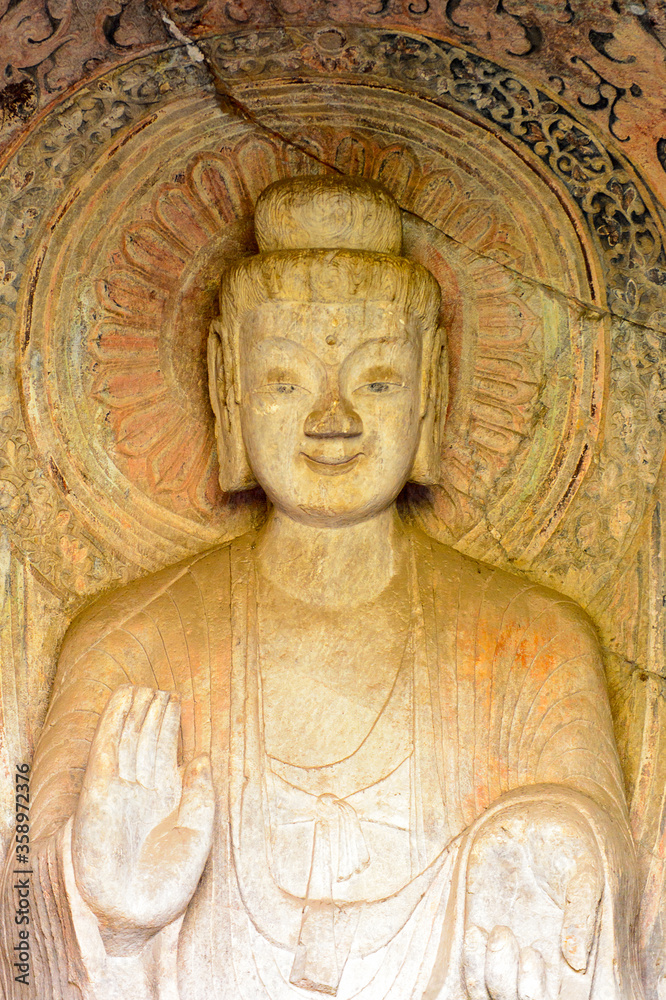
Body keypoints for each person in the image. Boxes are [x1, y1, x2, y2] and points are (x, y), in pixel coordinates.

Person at [0, 175, 644, 1000]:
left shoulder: (535, 641)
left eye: (377, 380)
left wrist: (550, 844)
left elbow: (607, 886)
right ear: (226, 387)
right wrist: (103, 908)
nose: (331, 417)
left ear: (432, 391)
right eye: (286, 381)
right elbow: (19, 911)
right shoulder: (129, 637)